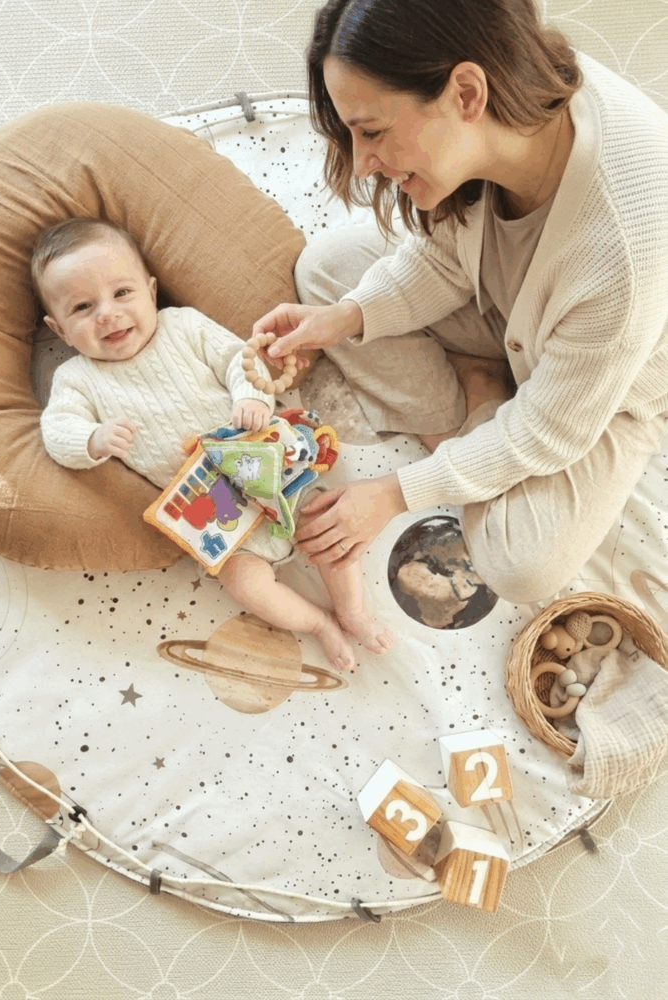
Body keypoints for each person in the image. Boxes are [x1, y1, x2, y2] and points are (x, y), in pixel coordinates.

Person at [253, 0, 668, 605]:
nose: (363, 165)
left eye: (372, 131)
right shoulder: (506, 110)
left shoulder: (623, 249)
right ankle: (480, 394)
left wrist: (395, 493)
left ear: (466, 94)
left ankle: (476, 399)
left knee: (521, 565)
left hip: (607, 387)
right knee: (325, 271)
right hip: (512, 310)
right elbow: (445, 259)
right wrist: (343, 318)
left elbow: (547, 433)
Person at [34, 217, 393, 671]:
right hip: (214, 514)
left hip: (271, 469)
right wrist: (92, 438)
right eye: (83, 307)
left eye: (122, 293)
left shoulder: (182, 326)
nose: (107, 314)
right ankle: (318, 623)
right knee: (246, 586)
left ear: (151, 291)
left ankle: (352, 611)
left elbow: (238, 361)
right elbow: (56, 432)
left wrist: (250, 397)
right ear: (60, 330)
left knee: (328, 528)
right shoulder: (76, 379)